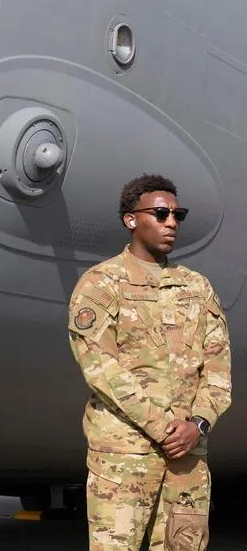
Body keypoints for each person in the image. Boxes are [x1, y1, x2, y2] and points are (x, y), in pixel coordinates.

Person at [68, 174, 232, 551]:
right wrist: (166, 429)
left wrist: (198, 425)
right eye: (160, 213)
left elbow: (218, 368)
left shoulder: (197, 287)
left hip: (187, 463)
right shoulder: (101, 285)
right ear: (131, 219)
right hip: (125, 460)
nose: (171, 222)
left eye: (178, 214)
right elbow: (101, 370)